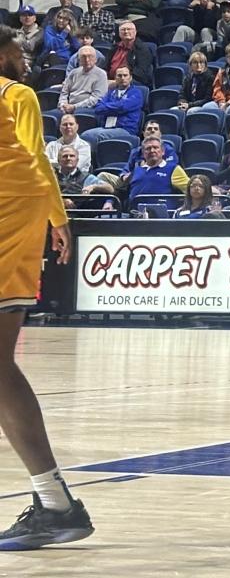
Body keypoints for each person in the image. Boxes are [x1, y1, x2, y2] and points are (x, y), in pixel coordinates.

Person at [0, 28, 91, 549]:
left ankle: (55, 503)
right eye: (16, 52)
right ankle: (55, 502)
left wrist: (58, 217)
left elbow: (37, 158)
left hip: (12, 217)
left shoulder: (18, 95)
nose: (25, 59)